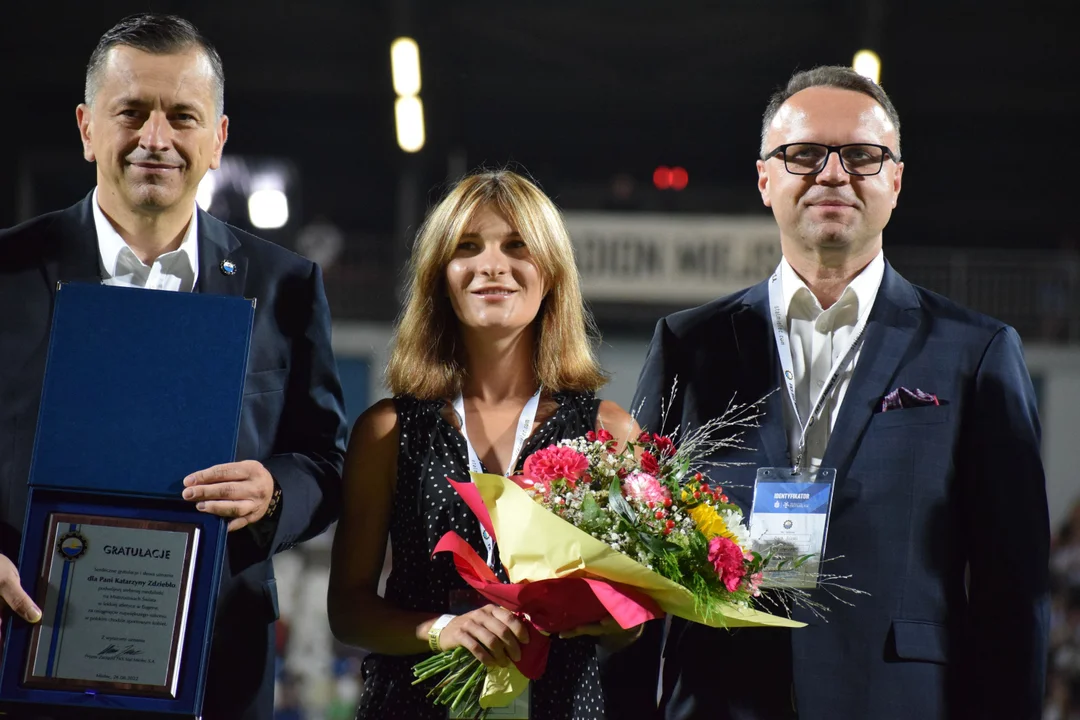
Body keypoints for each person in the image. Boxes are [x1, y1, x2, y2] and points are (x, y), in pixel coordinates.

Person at [625, 66, 1050, 719]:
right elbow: (634, 555)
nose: (832, 174)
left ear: (897, 181)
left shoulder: (976, 352)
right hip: (716, 698)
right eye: (803, 154)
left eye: (862, 155)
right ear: (765, 178)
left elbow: (1013, 589)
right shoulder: (689, 344)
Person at [0, 14, 347, 720]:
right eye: (130, 112)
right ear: (87, 126)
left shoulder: (283, 285)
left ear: (217, 138)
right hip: (23, 657)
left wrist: (274, 490)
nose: (155, 139)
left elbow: (326, 461)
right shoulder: (6, 272)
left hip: (217, 673)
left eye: (182, 116)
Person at [328, 170, 642, 719]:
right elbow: (348, 610)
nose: (492, 265)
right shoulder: (387, 431)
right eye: (467, 247)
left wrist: (619, 619)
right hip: (411, 704)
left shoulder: (610, 433)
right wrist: (442, 628)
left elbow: (632, 620)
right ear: (440, 277)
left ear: (551, 274)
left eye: (516, 246)